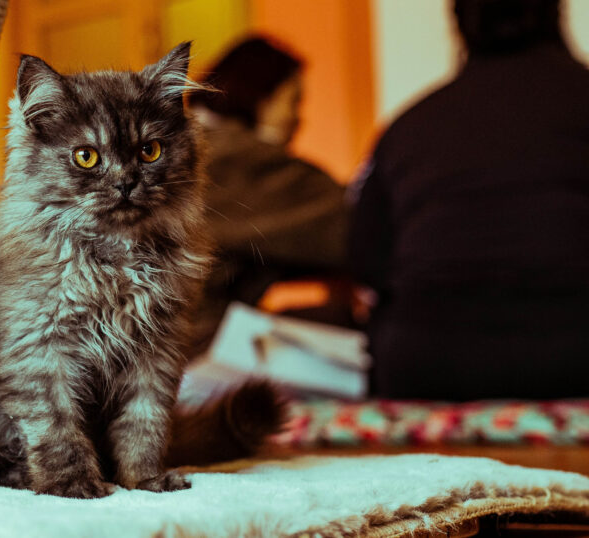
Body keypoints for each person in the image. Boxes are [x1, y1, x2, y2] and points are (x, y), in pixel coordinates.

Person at [349, 0, 589, 400]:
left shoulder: (410, 126)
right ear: (556, 13)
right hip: (577, 354)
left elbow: (365, 260)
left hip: (430, 363)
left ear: (459, 24)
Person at [187, 37, 351, 355]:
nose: (298, 119)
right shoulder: (232, 158)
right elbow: (352, 225)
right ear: (260, 98)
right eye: (294, 102)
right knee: (349, 329)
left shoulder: (185, 144)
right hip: (192, 354)